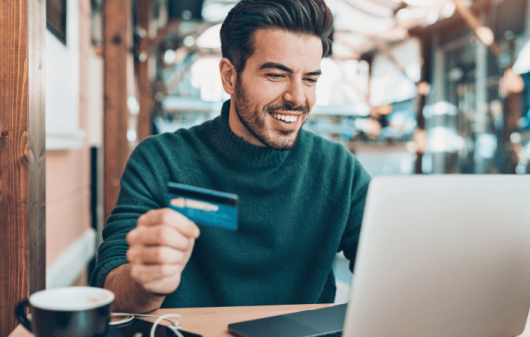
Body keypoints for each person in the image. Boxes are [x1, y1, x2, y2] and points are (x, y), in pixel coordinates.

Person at [91, 0, 371, 313]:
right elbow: (111, 286)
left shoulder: (338, 170)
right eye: (277, 75)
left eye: (310, 79)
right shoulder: (160, 161)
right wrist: (145, 282)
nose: (297, 97)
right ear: (229, 76)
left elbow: (391, 266)